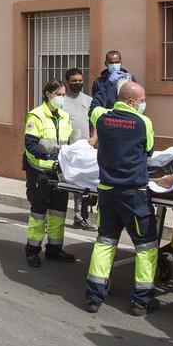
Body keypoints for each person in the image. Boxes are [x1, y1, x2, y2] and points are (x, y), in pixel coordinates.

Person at [83, 81, 159, 315]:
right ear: (131, 101)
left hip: (107, 191)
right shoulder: (142, 122)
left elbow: (94, 106)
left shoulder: (102, 119)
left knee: (105, 241)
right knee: (145, 246)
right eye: (142, 100)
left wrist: (107, 84)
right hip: (133, 193)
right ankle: (141, 301)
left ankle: (94, 297)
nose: (144, 104)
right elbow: (149, 150)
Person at [22, 80, 80, 267]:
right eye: (59, 94)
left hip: (59, 172)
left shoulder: (64, 116)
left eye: (63, 95)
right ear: (48, 94)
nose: (62, 98)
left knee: (58, 212)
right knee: (39, 213)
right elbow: (30, 146)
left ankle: (54, 249)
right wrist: (49, 153)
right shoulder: (36, 116)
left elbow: (69, 143)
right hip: (40, 171)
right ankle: (32, 250)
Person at [60, 68, 96, 230]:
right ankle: (54, 216)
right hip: (66, 150)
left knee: (83, 186)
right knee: (61, 184)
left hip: (84, 149)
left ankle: (80, 217)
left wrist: (93, 139)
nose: (78, 83)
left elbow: (95, 123)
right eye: (74, 81)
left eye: (80, 80)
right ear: (67, 82)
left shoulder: (89, 101)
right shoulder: (62, 101)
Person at [89, 50, 135, 115]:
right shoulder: (99, 82)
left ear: (121, 62)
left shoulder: (129, 79)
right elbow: (96, 102)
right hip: (108, 117)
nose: (114, 65)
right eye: (111, 63)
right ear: (106, 63)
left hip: (126, 117)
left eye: (117, 62)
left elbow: (136, 100)